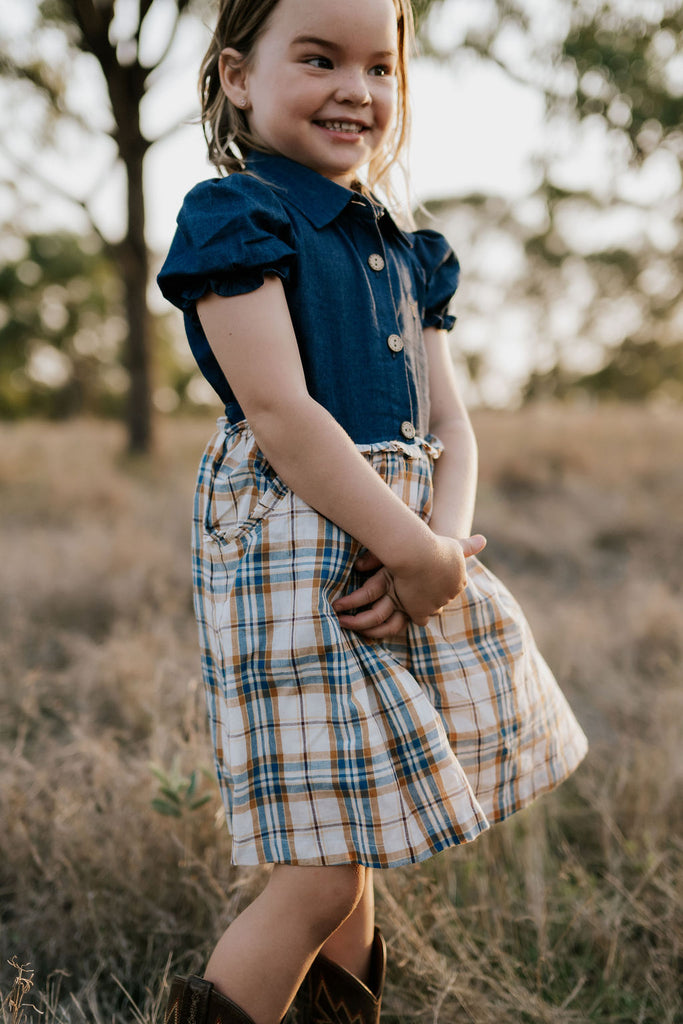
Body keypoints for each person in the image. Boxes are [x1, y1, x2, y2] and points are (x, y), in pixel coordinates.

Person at [157, 0, 588, 1021]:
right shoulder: (238, 215)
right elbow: (278, 412)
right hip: (291, 535)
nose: (357, 87)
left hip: (400, 537)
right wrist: (406, 546)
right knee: (318, 870)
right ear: (236, 77)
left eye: (380, 66)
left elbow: (451, 419)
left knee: (354, 837)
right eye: (317, 58)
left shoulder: (409, 245)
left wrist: (436, 546)